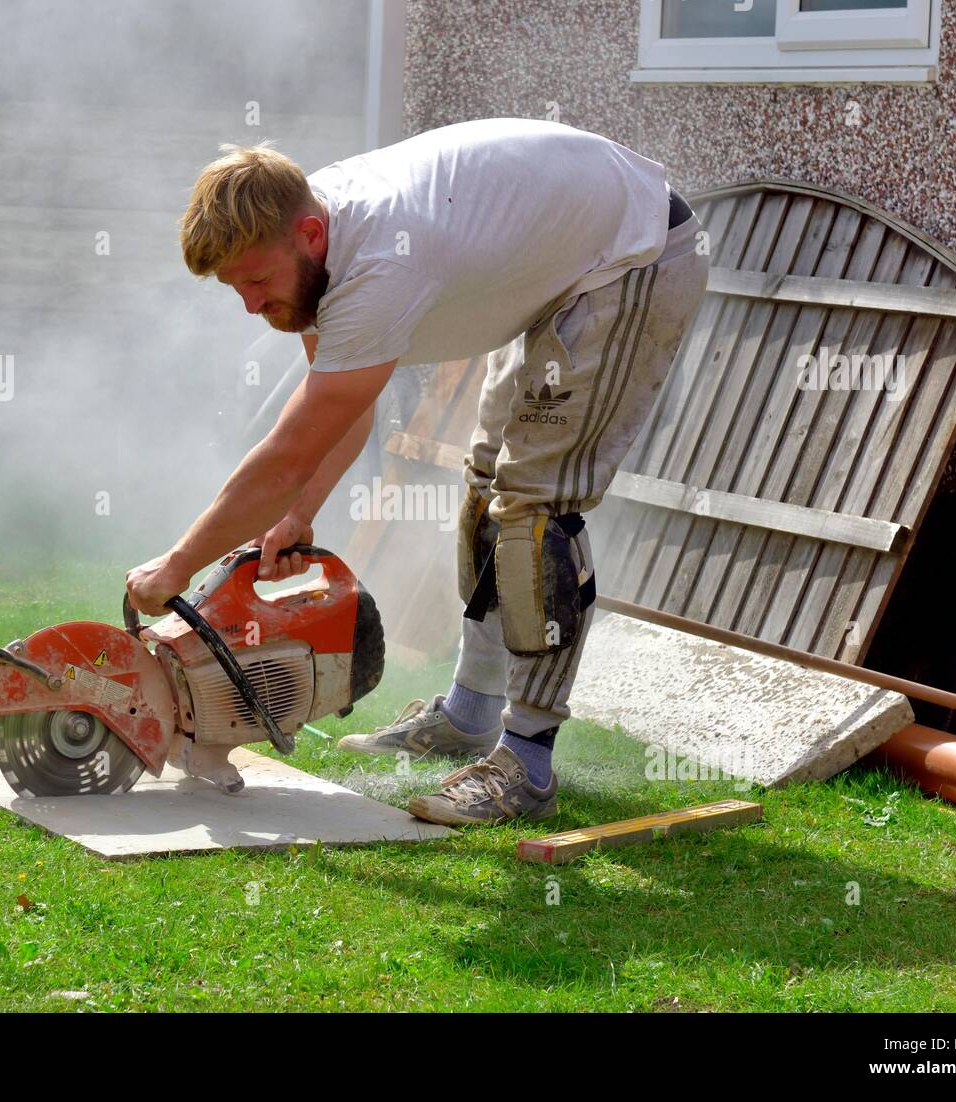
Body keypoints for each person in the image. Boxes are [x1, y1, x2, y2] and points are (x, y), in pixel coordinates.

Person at [125, 118, 709, 826]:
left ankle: (526, 763)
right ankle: (469, 716)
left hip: (634, 256)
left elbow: (285, 454)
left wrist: (179, 563)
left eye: (255, 280)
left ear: (309, 237)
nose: (250, 305)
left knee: (534, 509)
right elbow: (335, 416)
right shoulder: (314, 249)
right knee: (488, 488)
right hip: (570, 261)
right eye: (234, 288)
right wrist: (295, 517)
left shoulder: (377, 265)